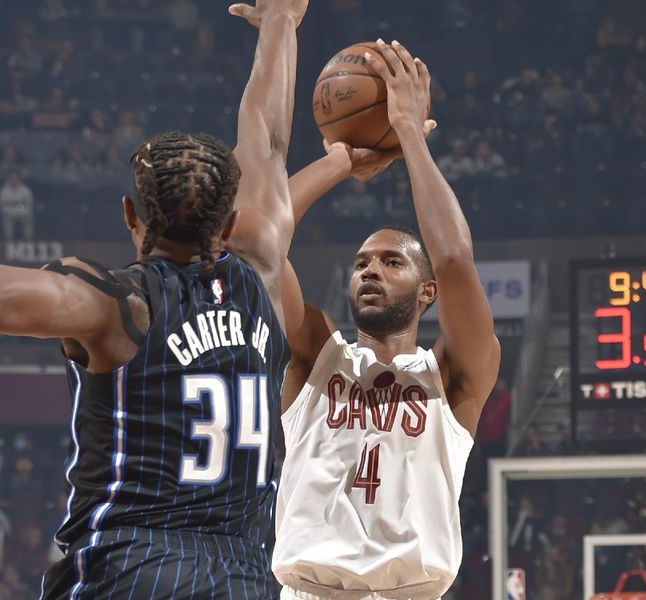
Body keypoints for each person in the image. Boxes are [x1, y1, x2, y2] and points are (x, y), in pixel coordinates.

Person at [0, 0, 308, 597]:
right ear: (228, 226)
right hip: (247, 576)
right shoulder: (266, 277)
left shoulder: (119, 307)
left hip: (130, 569)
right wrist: (282, 23)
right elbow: (269, 140)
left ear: (131, 215)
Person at [271, 40, 500, 599]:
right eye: (360, 263)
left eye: (391, 261)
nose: (369, 270)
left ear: (427, 292)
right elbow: (260, 243)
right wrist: (339, 161)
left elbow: (453, 259)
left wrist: (409, 136)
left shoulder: (450, 376)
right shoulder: (318, 357)